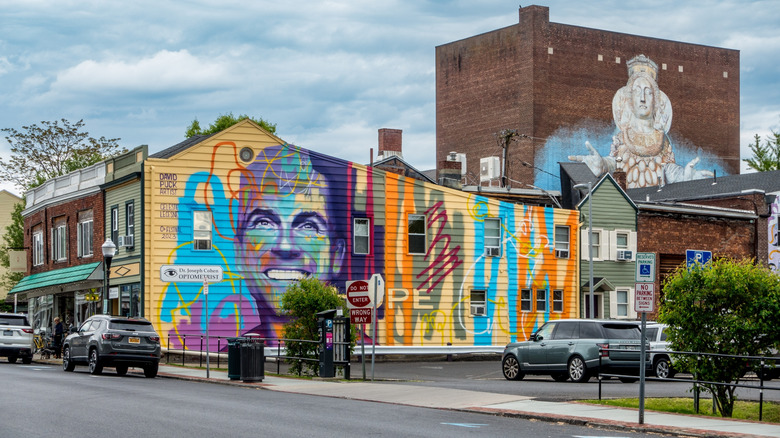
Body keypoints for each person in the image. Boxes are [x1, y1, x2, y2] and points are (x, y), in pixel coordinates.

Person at [235, 144, 346, 340]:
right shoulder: (233, 358)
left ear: (336, 255)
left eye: (308, 226)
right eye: (264, 222)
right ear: (239, 252)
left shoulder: (345, 350)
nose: (285, 246)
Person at [569, 54, 713, 188]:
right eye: (637, 91)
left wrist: (685, 176)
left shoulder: (662, 139)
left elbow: (668, 169)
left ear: (655, 101)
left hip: (655, 205)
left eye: (648, 92)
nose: (643, 98)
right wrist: (602, 165)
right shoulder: (622, 137)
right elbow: (616, 162)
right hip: (627, 205)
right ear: (630, 100)